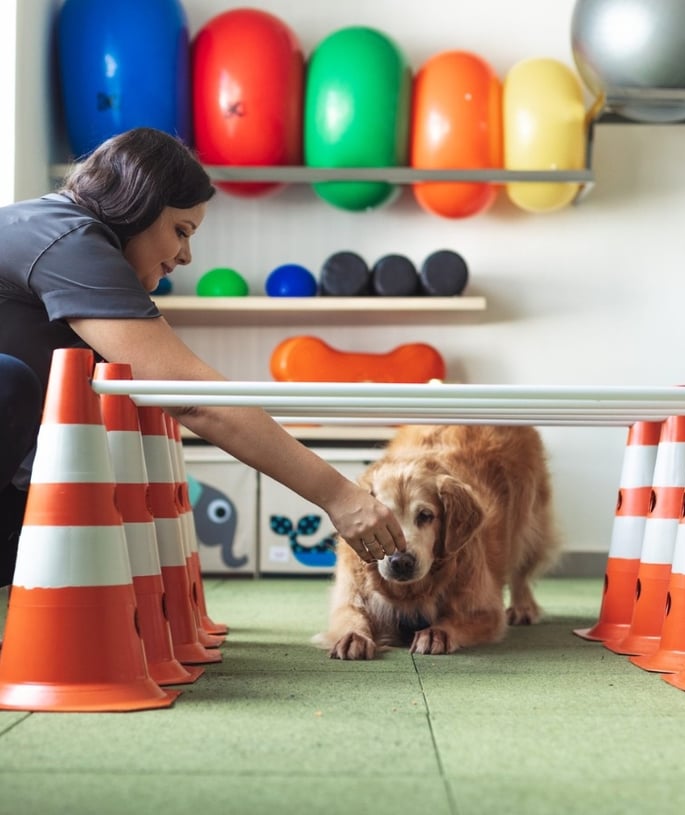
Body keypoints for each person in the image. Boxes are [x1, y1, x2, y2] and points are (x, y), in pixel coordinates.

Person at [0, 127, 405, 588]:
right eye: (181, 231)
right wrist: (338, 495)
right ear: (140, 205)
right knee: (11, 385)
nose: (186, 255)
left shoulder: (52, 229)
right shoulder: (70, 240)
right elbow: (193, 398)